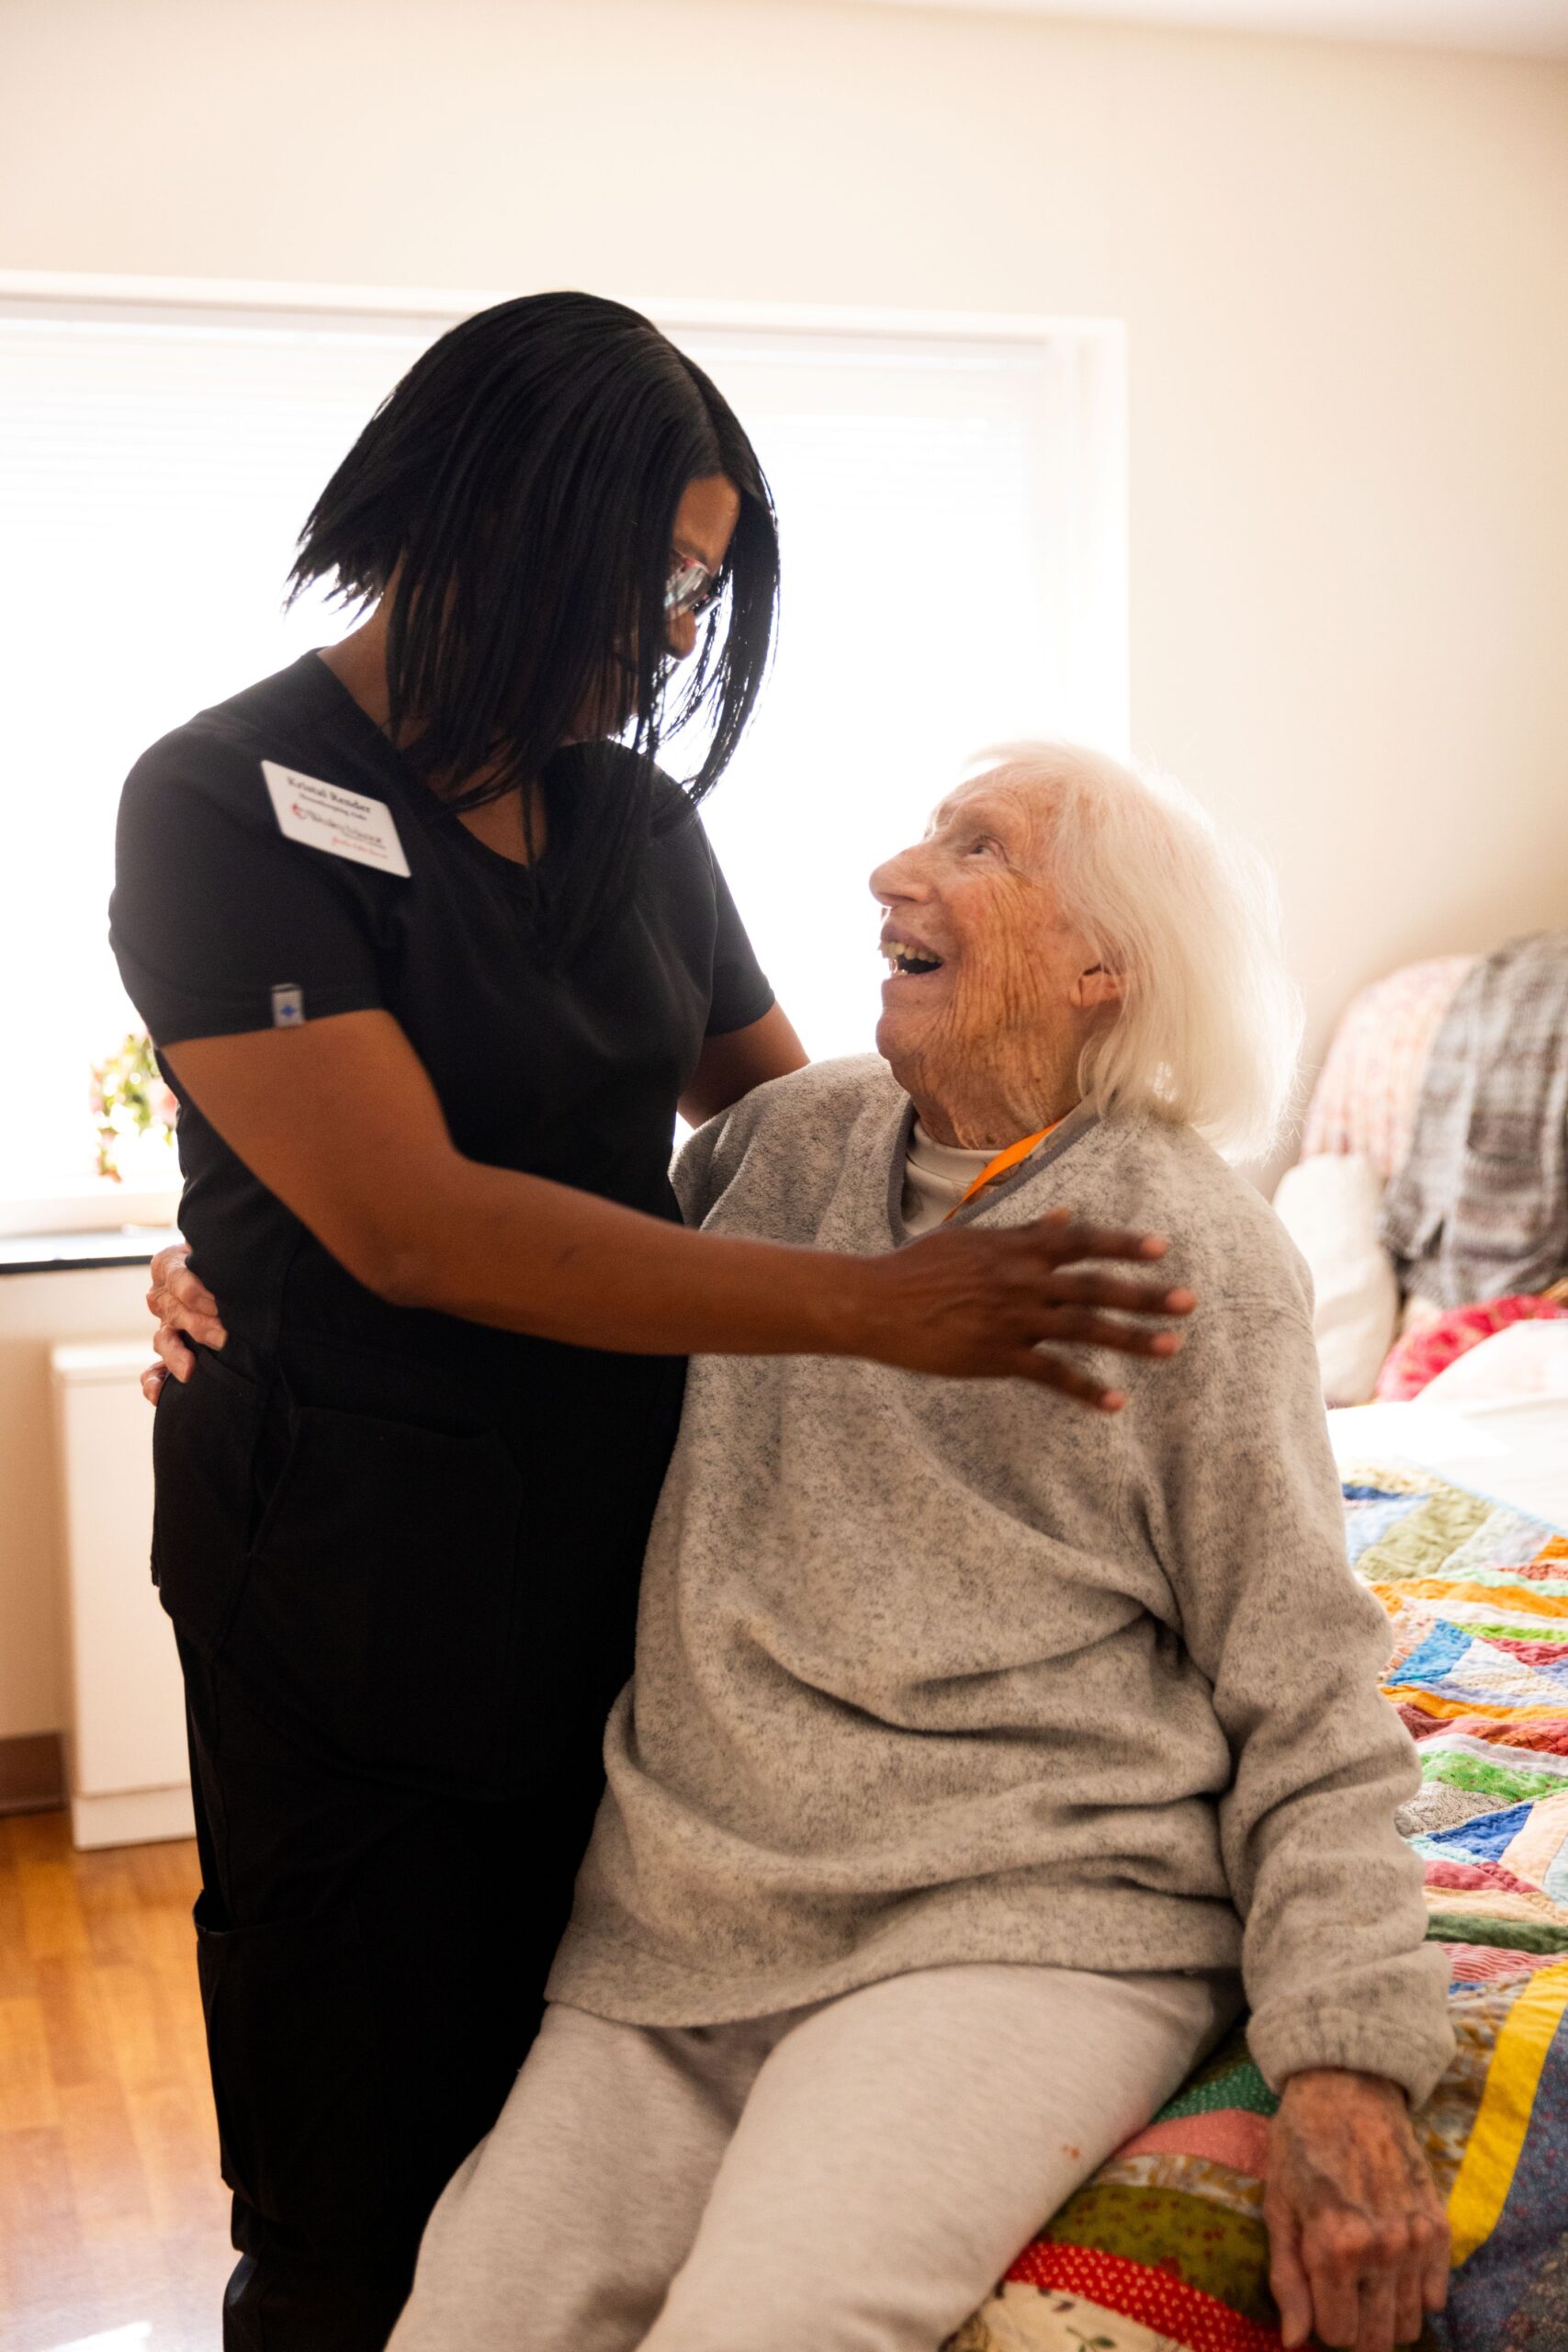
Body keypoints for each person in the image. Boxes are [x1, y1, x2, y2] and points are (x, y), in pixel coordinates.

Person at [116, 297, 1193, 2352]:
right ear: (474, 514)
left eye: (697, 588)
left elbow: (805, 1120)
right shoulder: (220, 799)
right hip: (345, 1575)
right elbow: (410, 1223)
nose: (669, 632)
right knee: (360, 2167)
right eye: (645, 578)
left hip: (614, 1557)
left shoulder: (627, 821)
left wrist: (1124, 1110)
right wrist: (882, 1315)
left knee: (569, 2085)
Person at [384, 745, 1455, 2352]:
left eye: (979, 848)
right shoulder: (783, 1144)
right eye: (923, 835)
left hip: (1026, 1912)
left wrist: (1349, 2056)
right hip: (684, 1916)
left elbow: (1307, 1683)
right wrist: (243, 1282)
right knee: (466, 2325)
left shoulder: (1187, 1247)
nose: (898, 870)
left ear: (1107, 967)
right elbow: (544, 1279)